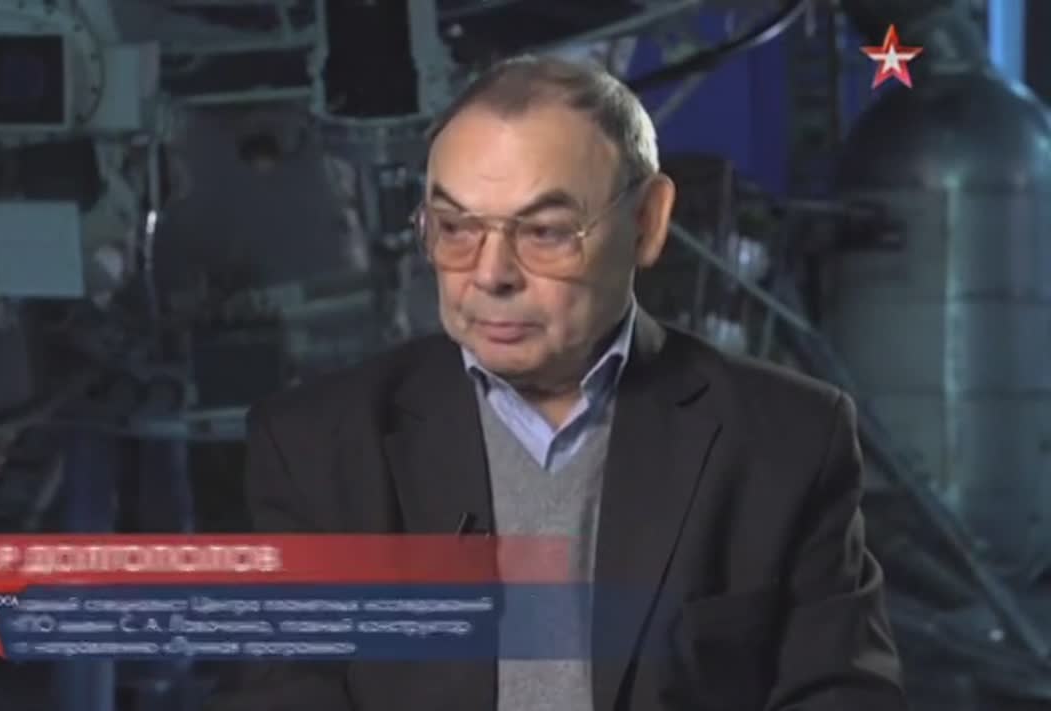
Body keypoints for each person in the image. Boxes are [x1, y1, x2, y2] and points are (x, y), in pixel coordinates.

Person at [206, 55, 906, 711]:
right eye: (454, 227)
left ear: (647, 223)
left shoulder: (786, 442)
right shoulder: (315, 450)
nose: (490, 275)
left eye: (543, 232)